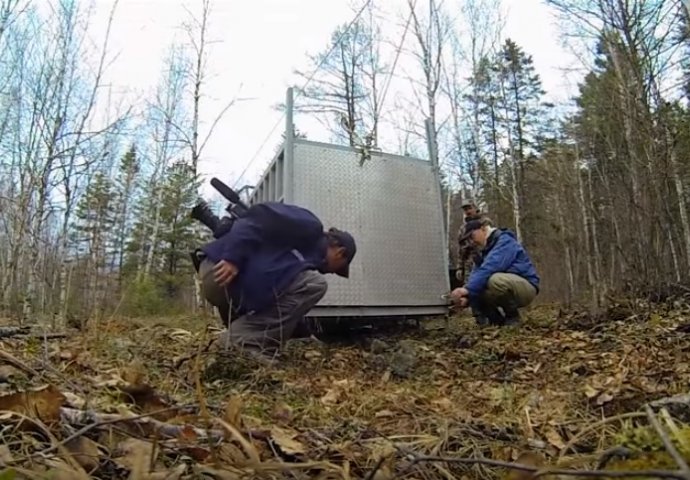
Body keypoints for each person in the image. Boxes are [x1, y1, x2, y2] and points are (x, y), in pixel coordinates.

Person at [196, 201, 357, 363]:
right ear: (340, 253)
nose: (332, 272)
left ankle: (240, 350)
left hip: (234, 286)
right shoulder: (310, 226)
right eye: (339, 269)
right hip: (221, 269)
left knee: (305, 285)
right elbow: (257, 216)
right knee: (316, 285)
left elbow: (282, 310)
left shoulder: (302, 261)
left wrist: (305, 335)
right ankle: (238, 343)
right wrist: (233, 258)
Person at [450, 217, 539, 326]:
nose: (472, 242)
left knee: (495, 280)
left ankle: (513, 317)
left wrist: (466, 290)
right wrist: (467, 299)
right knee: (478, 287)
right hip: (510, 285)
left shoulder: (504, 241)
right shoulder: (482, 251)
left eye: (472, 236)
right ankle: (497, 322)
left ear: (483, 229)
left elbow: (490, 267)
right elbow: (475, 277)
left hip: (526, 287)